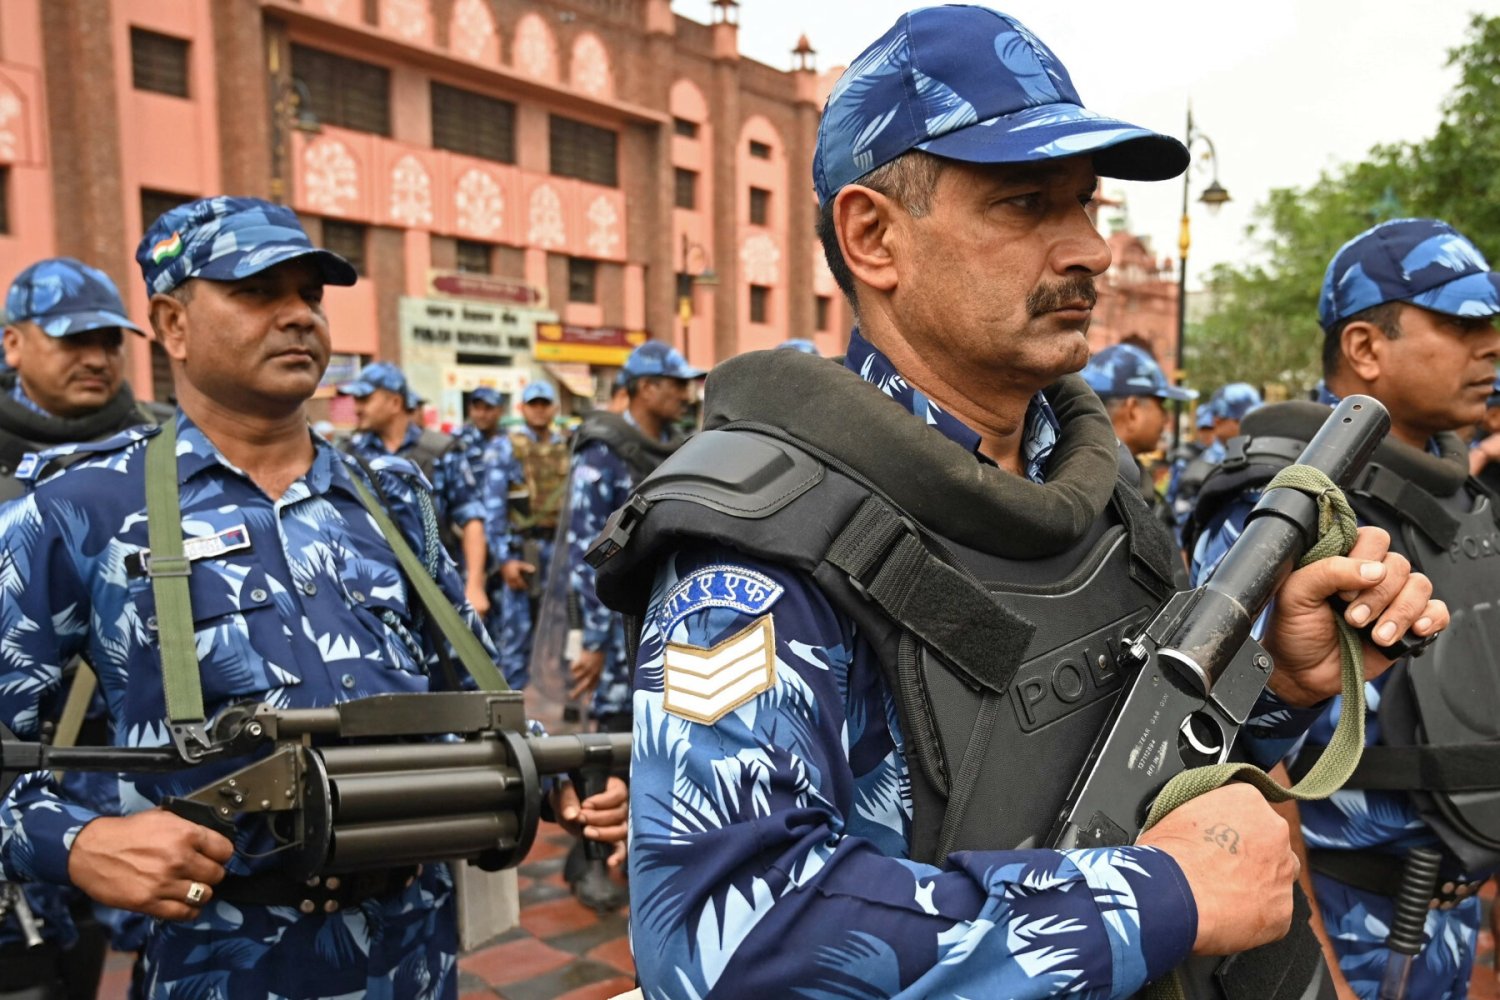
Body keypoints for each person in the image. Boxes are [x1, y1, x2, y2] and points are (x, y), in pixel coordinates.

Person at [585, 8, 1447, 998]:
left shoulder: (1094, 490)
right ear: (873, 236)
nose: (1091, 249)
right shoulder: (761, 550)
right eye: (1029, 204)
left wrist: (1277, 685)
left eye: (1086, 204)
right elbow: (721, 942)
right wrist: (1153, 900)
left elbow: (1126, 776)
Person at [0, 196, 625, 999]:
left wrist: (555, 774)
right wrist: (78, 842)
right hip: (227, 964)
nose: (297, 317)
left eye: (311, 296)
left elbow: (473, 699)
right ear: (173, 324)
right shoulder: (80, 509)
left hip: (415, 953)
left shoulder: (392, 497)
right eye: (258, 292)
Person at [1191, 218, 1500, 1000]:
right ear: (1365, 347)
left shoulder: (1457, 491)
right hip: (1344, 924)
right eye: (1462, 325)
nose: (1490, 345)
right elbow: (1238, 763)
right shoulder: (1283, 510)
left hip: (1448, 914)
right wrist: (1316, 972)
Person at [0, 258, 164, 999]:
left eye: (109, 340)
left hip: (130, 770)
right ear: (13, 344)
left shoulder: (167, 459)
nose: (96, 358)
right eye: (72, 340)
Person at [340, 361, 490, 617]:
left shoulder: (440, 452)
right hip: (371, 594)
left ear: (395, 403)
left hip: (437, 591)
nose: (357, 408)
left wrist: (475, 584)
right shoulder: (348, 455)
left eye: (365, 398)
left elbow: (471, 519)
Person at [487, 380, 568, 688]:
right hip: (523, 549)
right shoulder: (506, 448)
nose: (539, 410)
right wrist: (505, 559)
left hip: (558, 551)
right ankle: (513, 706)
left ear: (554, 408)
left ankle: (560, 702)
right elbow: (494, 509)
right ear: (522, 408)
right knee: (516, 635)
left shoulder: (567, 447)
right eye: (533, 404)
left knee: (562, 632)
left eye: (544, 404)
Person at [1081, 341, 1197, 514]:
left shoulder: (1082, 467)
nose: (1166, 418)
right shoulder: (1105, 483)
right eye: (1161, 405)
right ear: (1133, 410)